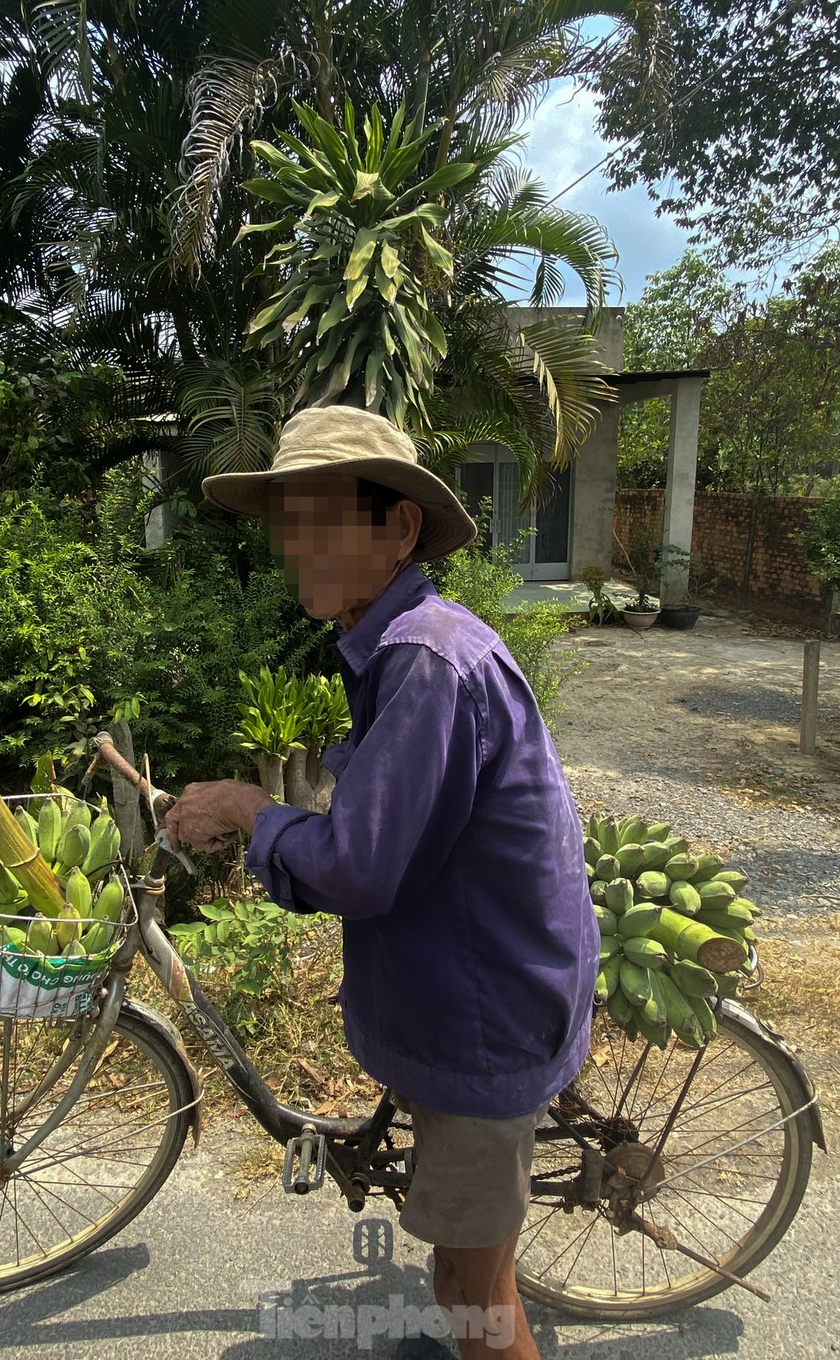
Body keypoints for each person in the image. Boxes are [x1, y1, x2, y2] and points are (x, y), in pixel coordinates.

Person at [163, 405, 599, 1360]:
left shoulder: (424, 660)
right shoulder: (399, 641)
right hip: (482, 975)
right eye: (286, 521)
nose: (294, 545)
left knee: (466, 1294)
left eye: (320, 517)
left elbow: (360, 868)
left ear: (397, 528)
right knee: (477, 1270)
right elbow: (391, 823)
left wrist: (246, 808)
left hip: (488, 1012)